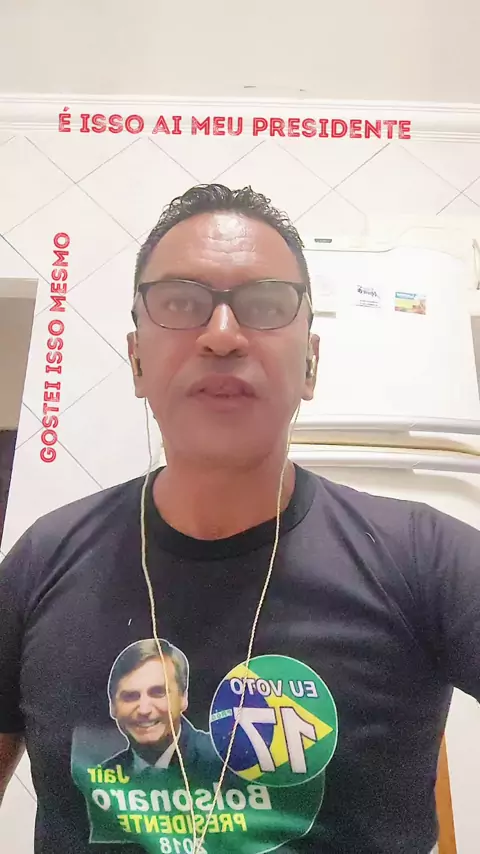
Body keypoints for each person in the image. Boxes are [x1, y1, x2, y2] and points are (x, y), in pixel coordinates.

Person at [0, 183, 478, 854]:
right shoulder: (42, 560)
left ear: (310, 363)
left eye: (265, 304)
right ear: (136, 361)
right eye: (180, 302)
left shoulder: (429, 559)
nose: (222, 335)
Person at [102, 638, 219, 774]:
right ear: (112, 706)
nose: (144, 710)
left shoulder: (225, 763)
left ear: (183, 697)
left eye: (158, 693)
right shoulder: (101, 777)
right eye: (130, 696)